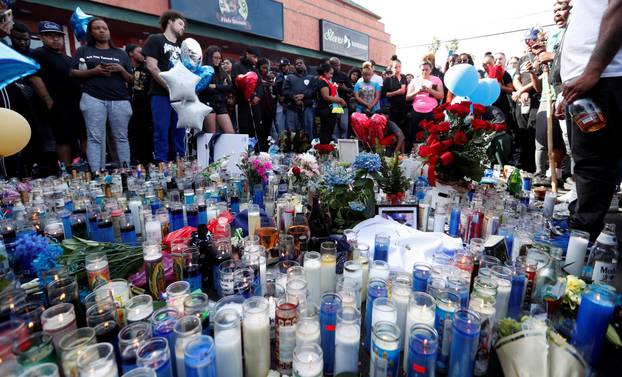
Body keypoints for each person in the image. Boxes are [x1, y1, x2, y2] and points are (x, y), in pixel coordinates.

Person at [557, 0, 622, 240]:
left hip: (605, 77)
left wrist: (593, 70)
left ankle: (581, 241)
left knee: (595, 165)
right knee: (586, 164)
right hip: (589, 82)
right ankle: (582, 233)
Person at [70, 17, 133, 172]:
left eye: (105, 28)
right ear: (90, 32)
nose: (102, 30)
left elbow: (132, 79)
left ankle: (125, 171)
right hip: (93, 97)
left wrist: (120, 69)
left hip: (119, 99)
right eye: (97, 28)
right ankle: (96, 172)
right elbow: (73, 72)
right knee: (95, 138)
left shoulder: (121, 53)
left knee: (121, 137)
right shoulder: (83, 50)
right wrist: (95, 71)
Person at [30, 21, 86, 167]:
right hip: (58, 104)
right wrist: (49, 101)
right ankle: (66, 170)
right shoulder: (38, 54)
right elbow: (35, 78)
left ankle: (89, 167)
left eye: (58, 36)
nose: (55, 39)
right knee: (63, 138)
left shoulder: (67, 58)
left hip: (76, 104)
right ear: (41, 37)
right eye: (50, 36)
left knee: (84, 135)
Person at [142, 10, 186, 162]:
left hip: (179, 96)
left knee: (179, 131)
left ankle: (180, 163)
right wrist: (171, 86)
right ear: (170, 21)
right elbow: (152, 67)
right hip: (160, 94)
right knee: (161, 129)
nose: (183, 28)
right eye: (180, 23)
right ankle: (162, 164)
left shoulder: (182, 47)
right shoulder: (155, 39)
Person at [512, 28, 543, 173]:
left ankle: (533, 168)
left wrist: (523, 91)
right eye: (526, 40)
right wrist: (520, 91)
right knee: (522, 132)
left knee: (533, 133)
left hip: (536, 99)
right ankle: (522, 167)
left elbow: (541, 79)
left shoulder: (542, 57)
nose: (529, 43)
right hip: (522, 101)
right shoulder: (523, 59)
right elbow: (516, 79)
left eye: (531, 40)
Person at [406, 61, 444, 150]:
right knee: (415, 135)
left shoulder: (436, 79)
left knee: (431, 135)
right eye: (422, 70)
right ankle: (416, 154)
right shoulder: (414, 80)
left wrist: (429, 90)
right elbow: (407, 97)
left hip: (431, 111)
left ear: (431, 70)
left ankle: (429, 154)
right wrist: (417, 91)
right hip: (416, 110)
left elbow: (441, 96)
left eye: (426, 70)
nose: (424, 72)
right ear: (420, 70)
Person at [126, 44, 153, 164]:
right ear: (131, 53)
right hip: (127, 106)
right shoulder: (125, 67)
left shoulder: (146, 69)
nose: (143, 54)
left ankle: (147, 160)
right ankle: (133, 160)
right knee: (130, 134)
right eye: (140, 52)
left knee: (145, 134)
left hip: (144, 107)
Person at [199, 45, 235, 135]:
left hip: (220, 103)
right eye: (215, 58)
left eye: (219, 58)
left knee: (230, 132)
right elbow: (204, 89)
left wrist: (215, 86)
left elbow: (230, 87)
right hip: (208, 103)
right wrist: (222, 87)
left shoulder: (221, 71)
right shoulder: (204, 70)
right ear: (209, 57)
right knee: (211, 134)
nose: (218, 60)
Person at [232, 46, 263, 138]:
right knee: (243, 128)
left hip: (255, 104)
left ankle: (256, 150)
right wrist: (251, 96)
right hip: (242, 103)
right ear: (247, 54)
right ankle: (243, 151)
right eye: (254, 57)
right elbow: (236, 84)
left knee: (256, 128)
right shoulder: (237, 66)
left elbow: (260, 85)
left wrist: (258, 96)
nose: (256, 60)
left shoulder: (254, 69)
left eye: (257, 57)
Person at [282, 57, 316, 139]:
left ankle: (309, 150)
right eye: (297, 63)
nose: (299, 64)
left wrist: (303, 95)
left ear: (305, 65)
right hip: (292, 107)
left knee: (308, 130)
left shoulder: (311, 78)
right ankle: (292, 149)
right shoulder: (289, 77)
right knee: (291, 131)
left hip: (307, 107)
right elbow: (284, 91)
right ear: (294, 66)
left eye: (301, 63)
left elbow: (314, 91)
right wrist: (294, 97)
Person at [316, 63, 346, 144]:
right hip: (325, 110)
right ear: (325, 72)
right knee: (326, 131)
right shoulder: (323, 82)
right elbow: (326, 96)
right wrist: (340, 100)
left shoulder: (327, 81)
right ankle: (324, 150)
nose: (332, 76)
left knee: (329, 131)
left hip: (329, 109)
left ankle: (326, 149)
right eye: (330, 73)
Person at [382, 58, 407, 151]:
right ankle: (393, 153)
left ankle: (402, 154)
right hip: (392, 109)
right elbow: (385, 94)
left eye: (399, 67)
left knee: (402, 132)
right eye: (395, 67)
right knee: (393, 132)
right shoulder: (388, 80)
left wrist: (398, 92)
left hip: (402, 109)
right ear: (391, 68)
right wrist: (397, 92)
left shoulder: (403, 77)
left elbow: (403, 90)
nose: (397, 69)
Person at [330, 57, 352, 140]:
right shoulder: (328, 75)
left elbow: (351, 91)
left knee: (344, 125)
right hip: (333, 105)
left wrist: (345, 89)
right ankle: (335, 145)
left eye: (339, 65)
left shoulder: (344, 76)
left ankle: (344, 142)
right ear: (331, 65)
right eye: (336, 65)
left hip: (343, 105)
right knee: (335, 126)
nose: (338, 67)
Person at [257, 57, 276, 150]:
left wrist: (272, 85)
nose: (265, 70)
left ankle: (265, 151)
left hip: (269, 108)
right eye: (263, 68)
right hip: (259, 107)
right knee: (259, 132)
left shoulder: (269, 77)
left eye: (266, 68)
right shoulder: (256, 76)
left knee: (267, 132)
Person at [274, 57, 291, 136]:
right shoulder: (278, 76)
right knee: (280, 126)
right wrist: (280, 99)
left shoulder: (293, 76)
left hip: (290, 104)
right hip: (280, 104)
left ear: (289, 66)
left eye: (284, 65)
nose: (283, 67)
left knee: (290, 127)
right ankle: (280, 145)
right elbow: (275, 90)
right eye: (281, 66)